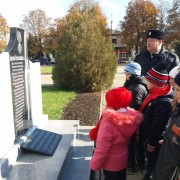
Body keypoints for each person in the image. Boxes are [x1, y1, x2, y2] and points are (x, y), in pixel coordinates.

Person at [89, 87, 143, 180]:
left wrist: (94, 165)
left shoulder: (108, 123)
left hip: (110, 163)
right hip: (122, 159)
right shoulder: (131, 118)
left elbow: (102, 149)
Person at [139, 65, 174, 180]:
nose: (145, 81)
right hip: (149, 137)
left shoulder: (163, 101)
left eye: (148, 80)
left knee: (153, 165)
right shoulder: (154, 93)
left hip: (154, 143)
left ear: (156, 82)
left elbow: (158, 126)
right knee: (151, 164)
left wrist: (151, 143)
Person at [152, 72, 180, 180]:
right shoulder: (177, 109)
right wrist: (169, 139)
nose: (174, 93)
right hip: (164, 168)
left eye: (177, 90)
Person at [123, 62, 148, 173]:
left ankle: (132, 165)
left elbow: (134, 106)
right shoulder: (133, 84)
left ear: (132, 73)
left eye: (127, 73)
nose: (125, 75)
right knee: (134, 143)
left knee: (133, 143)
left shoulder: (137, 87)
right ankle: (136, 163)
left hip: (135, 121)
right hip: (134, 119)